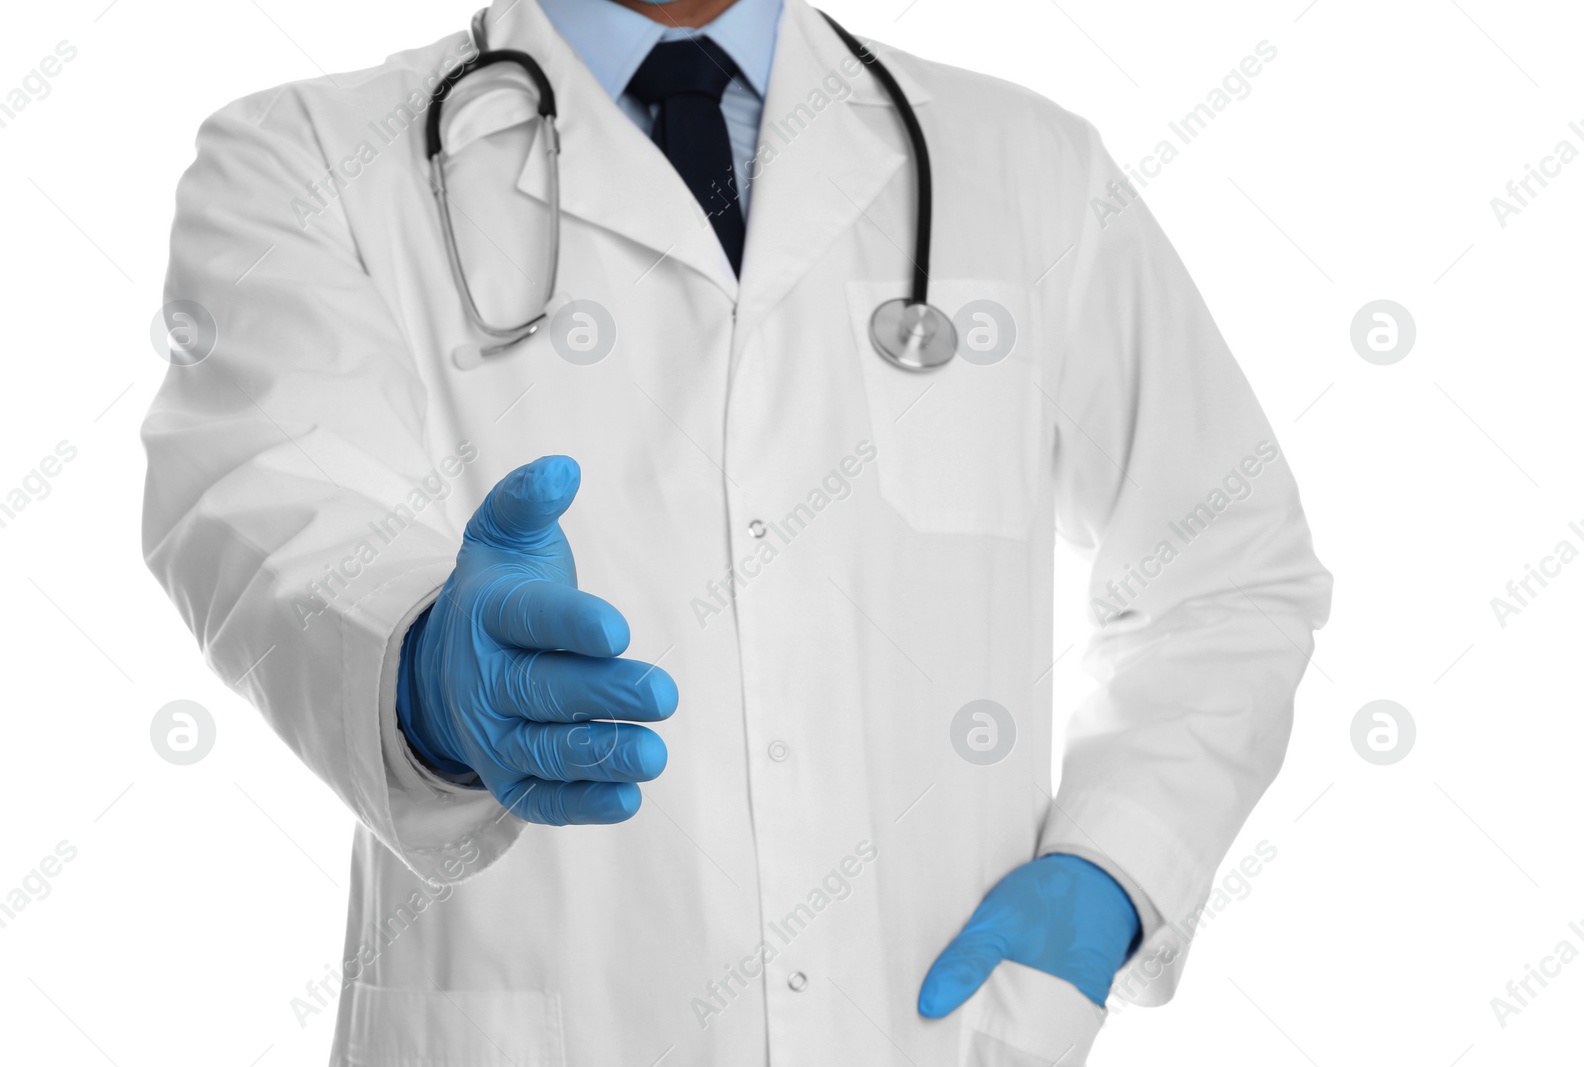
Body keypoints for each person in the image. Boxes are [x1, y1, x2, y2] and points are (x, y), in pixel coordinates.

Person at [141, 0, 1332, 1062]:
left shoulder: (1027, 167)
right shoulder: (305, 163)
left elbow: (1226, 564)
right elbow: (260, 500)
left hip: (932, 1022)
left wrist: (1109, 874)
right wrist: (421, 671)